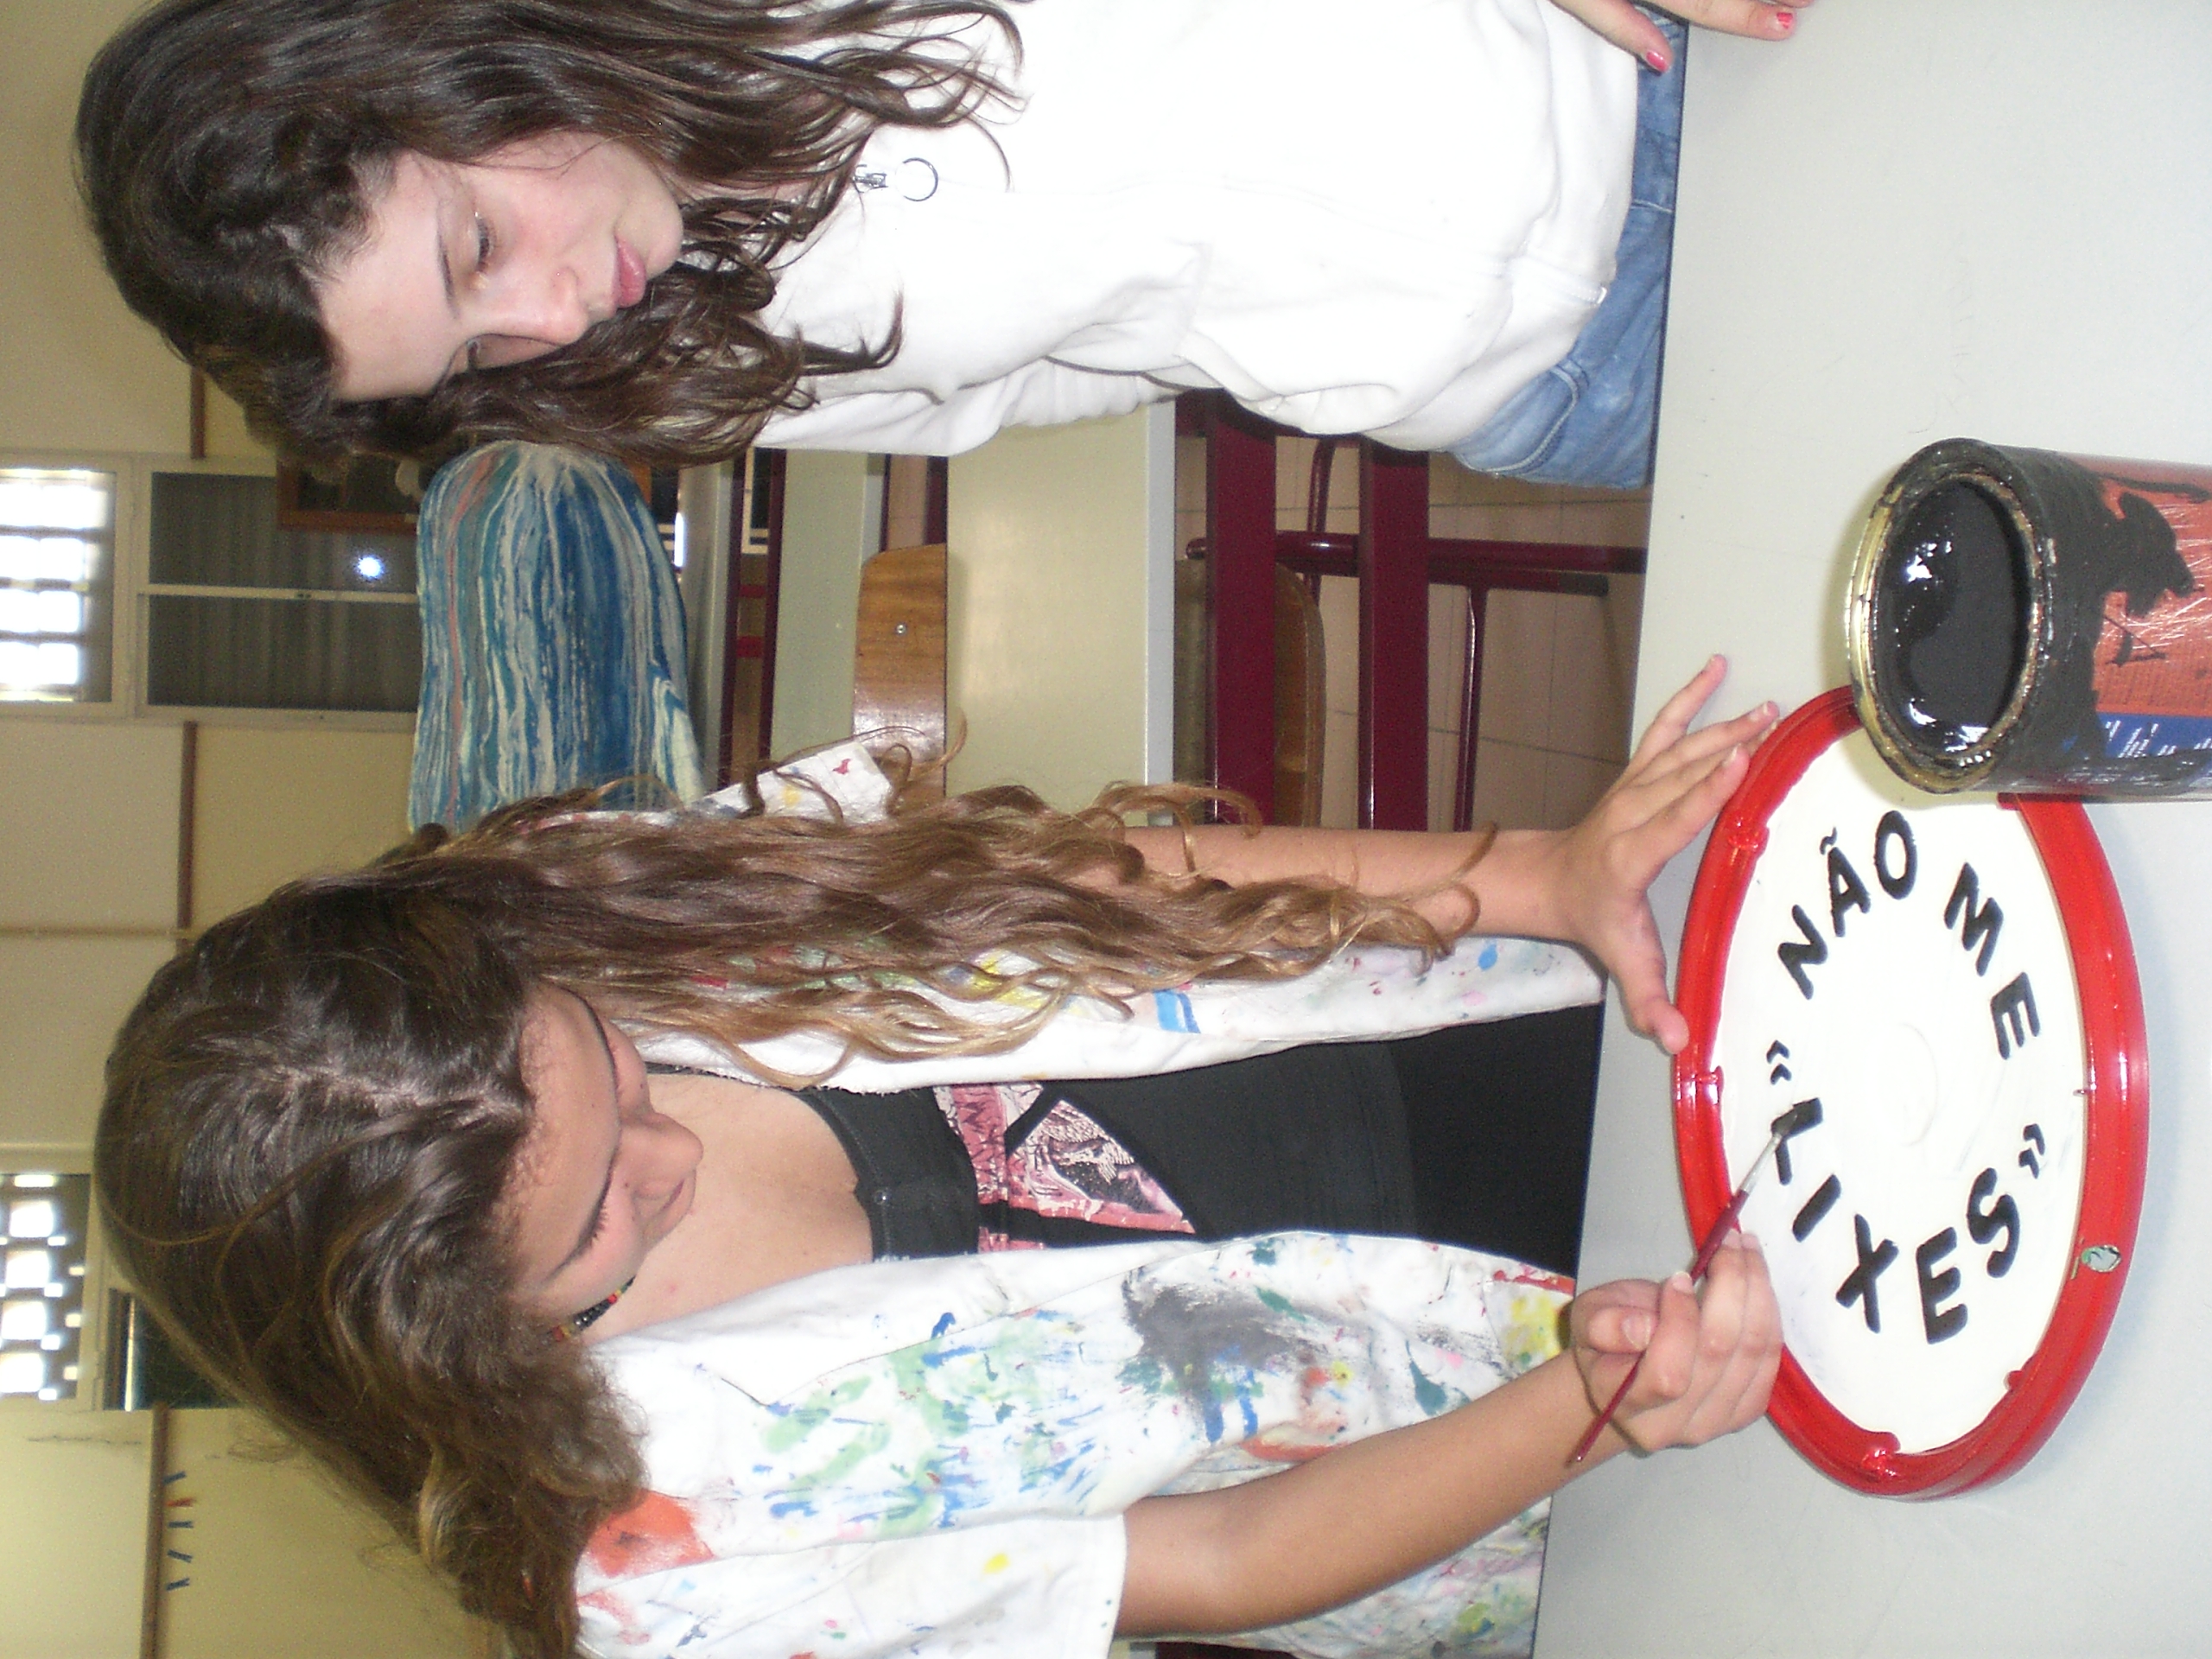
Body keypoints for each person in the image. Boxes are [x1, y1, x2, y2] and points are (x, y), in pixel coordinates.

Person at [95, 662, 1778, 1659]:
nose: (670, 1151)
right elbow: (1214, 1567)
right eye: (599, 1224)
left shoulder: (591, 905)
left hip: (1468, 1027)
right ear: (462, 1353)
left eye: (611, 1061)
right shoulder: (651, 1562)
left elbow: (1101, 889)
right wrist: (1591, 1402)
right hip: (1525, 1422)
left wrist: (1532, 878)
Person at [76, 0, 1804, 482]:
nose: (549, 319)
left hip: (1628, 61)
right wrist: (1278, 346)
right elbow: (1011, 388)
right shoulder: (672, 362)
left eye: (474, 247)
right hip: (1553, 390)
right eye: (475, 353)